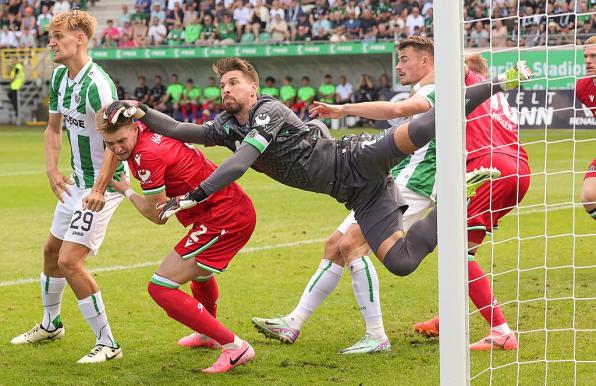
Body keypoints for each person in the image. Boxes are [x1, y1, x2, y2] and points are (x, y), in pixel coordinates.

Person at [106, 57, 532, 292]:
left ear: (253, 88)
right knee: (401, 263)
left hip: (353, 160)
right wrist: (141, 111)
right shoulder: (227, 127)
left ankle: (499, 82)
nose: (226, 90)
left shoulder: (267, 111)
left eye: (234, 83)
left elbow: (237, 165)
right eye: (223, 86)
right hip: (356, 194)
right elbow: (180, 130)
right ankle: (455, 202)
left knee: (418, 128)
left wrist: (194, 196)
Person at [252, 36, 439, 354]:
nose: (399, 65)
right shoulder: (422, 92)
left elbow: (396, 110)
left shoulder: (432, 92)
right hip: (394, 179)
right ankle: (293, 322)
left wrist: (342, 109)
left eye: (405, 58)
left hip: (414, 183)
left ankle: (376, 334)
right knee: (334, 246)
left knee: (352, 245)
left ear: (426, 61)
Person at [96, 109, 257, 374]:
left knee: (160, 287)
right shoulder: (147, 132)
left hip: (224, 217)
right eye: (109, 144)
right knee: (199, 274)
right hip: (223, 209)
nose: (116, 149)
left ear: (134, 129)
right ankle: (207, 336)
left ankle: (234, 346)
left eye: (120, 141)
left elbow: (158, 216)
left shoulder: (147, 155)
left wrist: (126, 191)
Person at [10, 10, 126, 364]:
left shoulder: (99, 86)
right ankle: (51, 323)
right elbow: (53, 128)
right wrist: (51, 170)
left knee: (69, 260)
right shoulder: (60, 77)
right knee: (50, 252)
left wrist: (98, 190)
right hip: (75, 184)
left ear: (80, 39)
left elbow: (119, 143)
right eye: (50, 36)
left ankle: (108, 343)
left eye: (58, 35)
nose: (51, 42)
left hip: (102, 187)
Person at [412, 54, 531, 351]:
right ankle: (449, 319)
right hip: (518, 168)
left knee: (456, 252)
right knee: (465, 250)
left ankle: (501, 331)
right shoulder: (496, 97)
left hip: (489, 168)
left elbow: (457, 64)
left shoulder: (468, 81)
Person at [576, 36, 595, 220]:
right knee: (589, 197)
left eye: (594, 56)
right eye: (585, 56)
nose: (588, 61)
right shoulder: (582, 87)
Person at [8, 56, 24, 121]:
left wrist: (12, 78)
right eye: (12, 60)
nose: (13, 61)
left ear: (17, 60)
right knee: (10, 95)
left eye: (14, 60)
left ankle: (17, 111)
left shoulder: (18, 66)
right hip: (14, 85)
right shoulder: (16, 66)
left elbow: (15, 74)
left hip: (17, 85)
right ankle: (16, 109)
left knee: (15, 100)